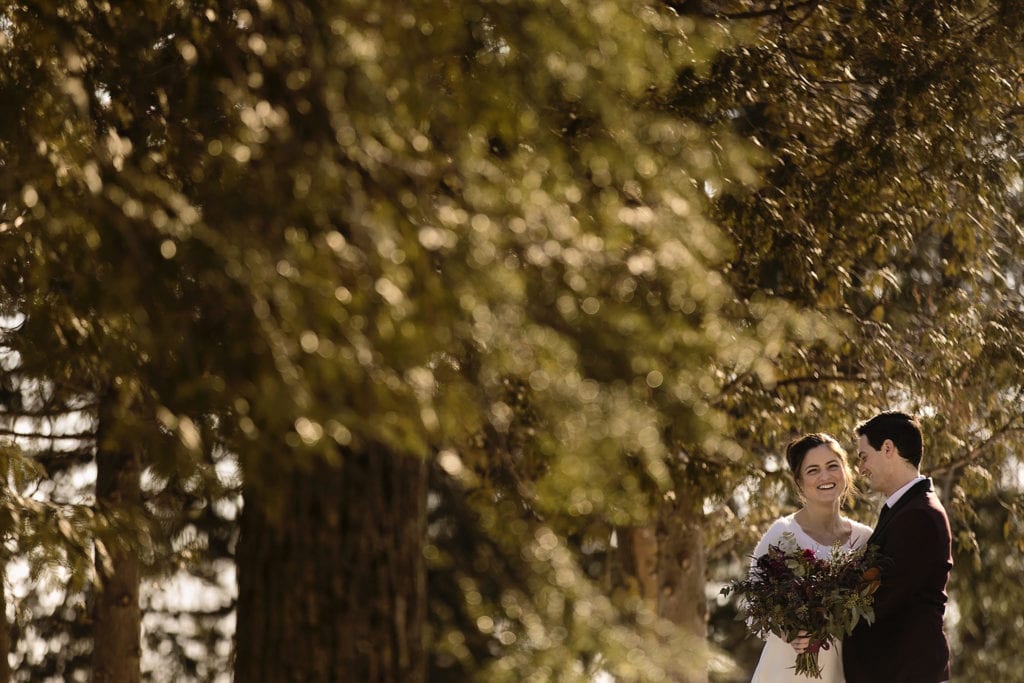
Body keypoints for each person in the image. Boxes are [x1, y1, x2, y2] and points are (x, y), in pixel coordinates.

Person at [750, 433, 873, 683]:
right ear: (799, 482)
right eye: (813, 470)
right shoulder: (781, 534)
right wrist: (788, 632)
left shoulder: (864, 539)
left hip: (841, 671)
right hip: (786, 672)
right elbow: (752, 606)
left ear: (845, 470)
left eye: (832, 466)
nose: (825, 476)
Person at [842, 411, 952, 682]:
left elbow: (884, 598)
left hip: (905, 671)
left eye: (864, 457)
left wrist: (822, 609)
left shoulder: (919, 515)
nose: (861, 469)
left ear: (888, 448)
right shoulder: (905, 509)